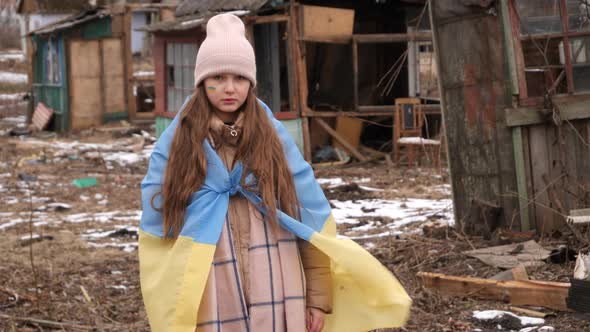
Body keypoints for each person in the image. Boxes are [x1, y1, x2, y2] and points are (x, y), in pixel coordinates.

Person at [139, 13, 411, 332]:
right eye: (218, 78)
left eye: (239, 78)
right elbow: (160, 230)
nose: (230, 88)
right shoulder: (179, 143)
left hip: (279, 284)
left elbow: (307, 220)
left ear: (251, 83)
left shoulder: (273, 140)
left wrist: (316, 300)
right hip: (211, 286)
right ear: (202, 82)